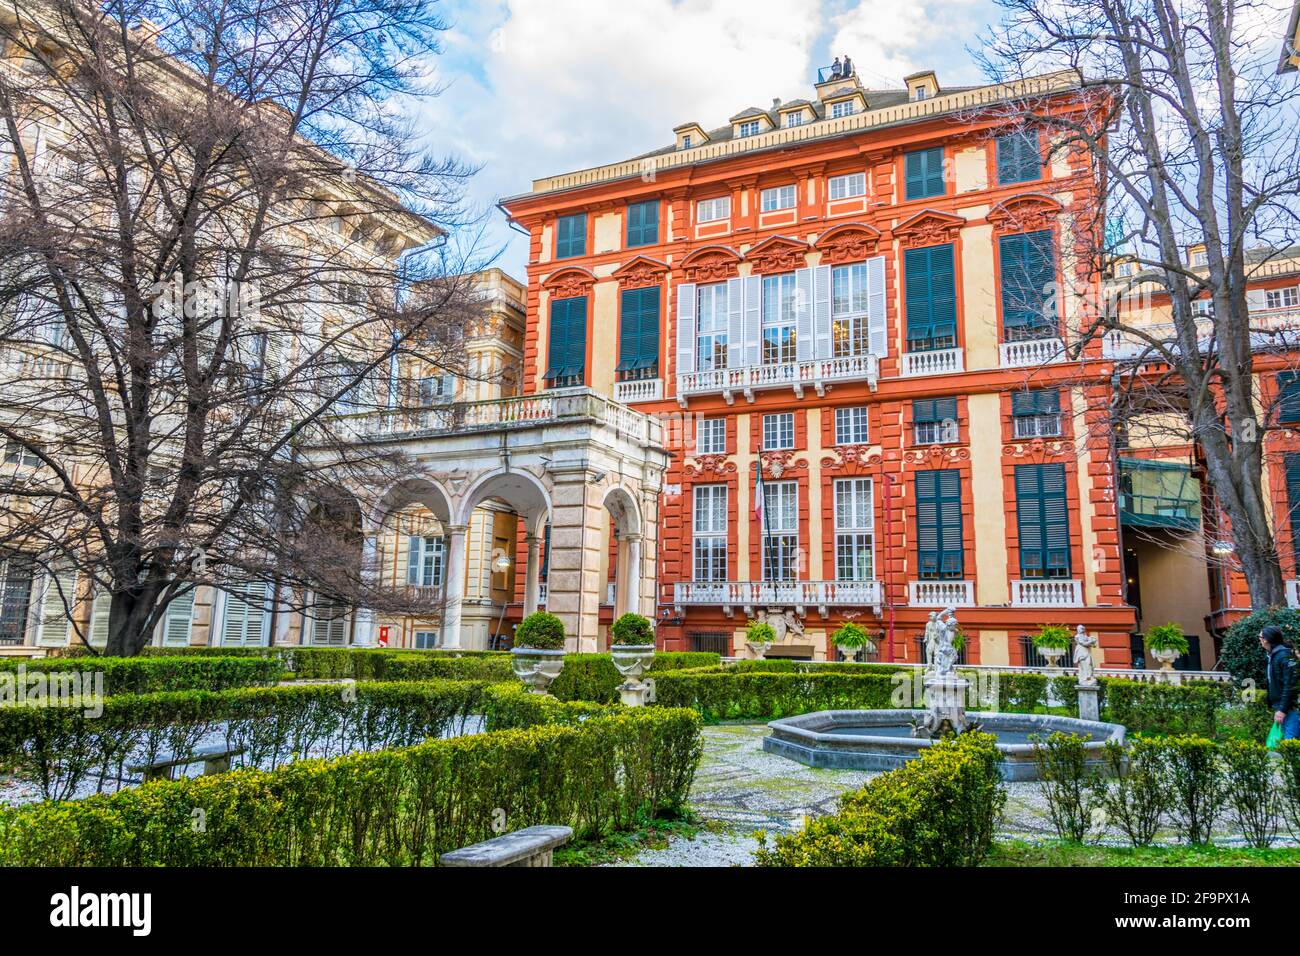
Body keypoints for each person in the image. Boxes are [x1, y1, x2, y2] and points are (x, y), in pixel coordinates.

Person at [1260, 626, 1300, 739]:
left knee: (1291, 741)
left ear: (1266, 639)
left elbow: (1290, 685)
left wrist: (1282, 710)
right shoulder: (1273, 655)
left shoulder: (1283, 656)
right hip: (1285, 706)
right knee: (1288, 742)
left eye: (1260, 637)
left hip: (1291, 708)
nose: (1259, 640)